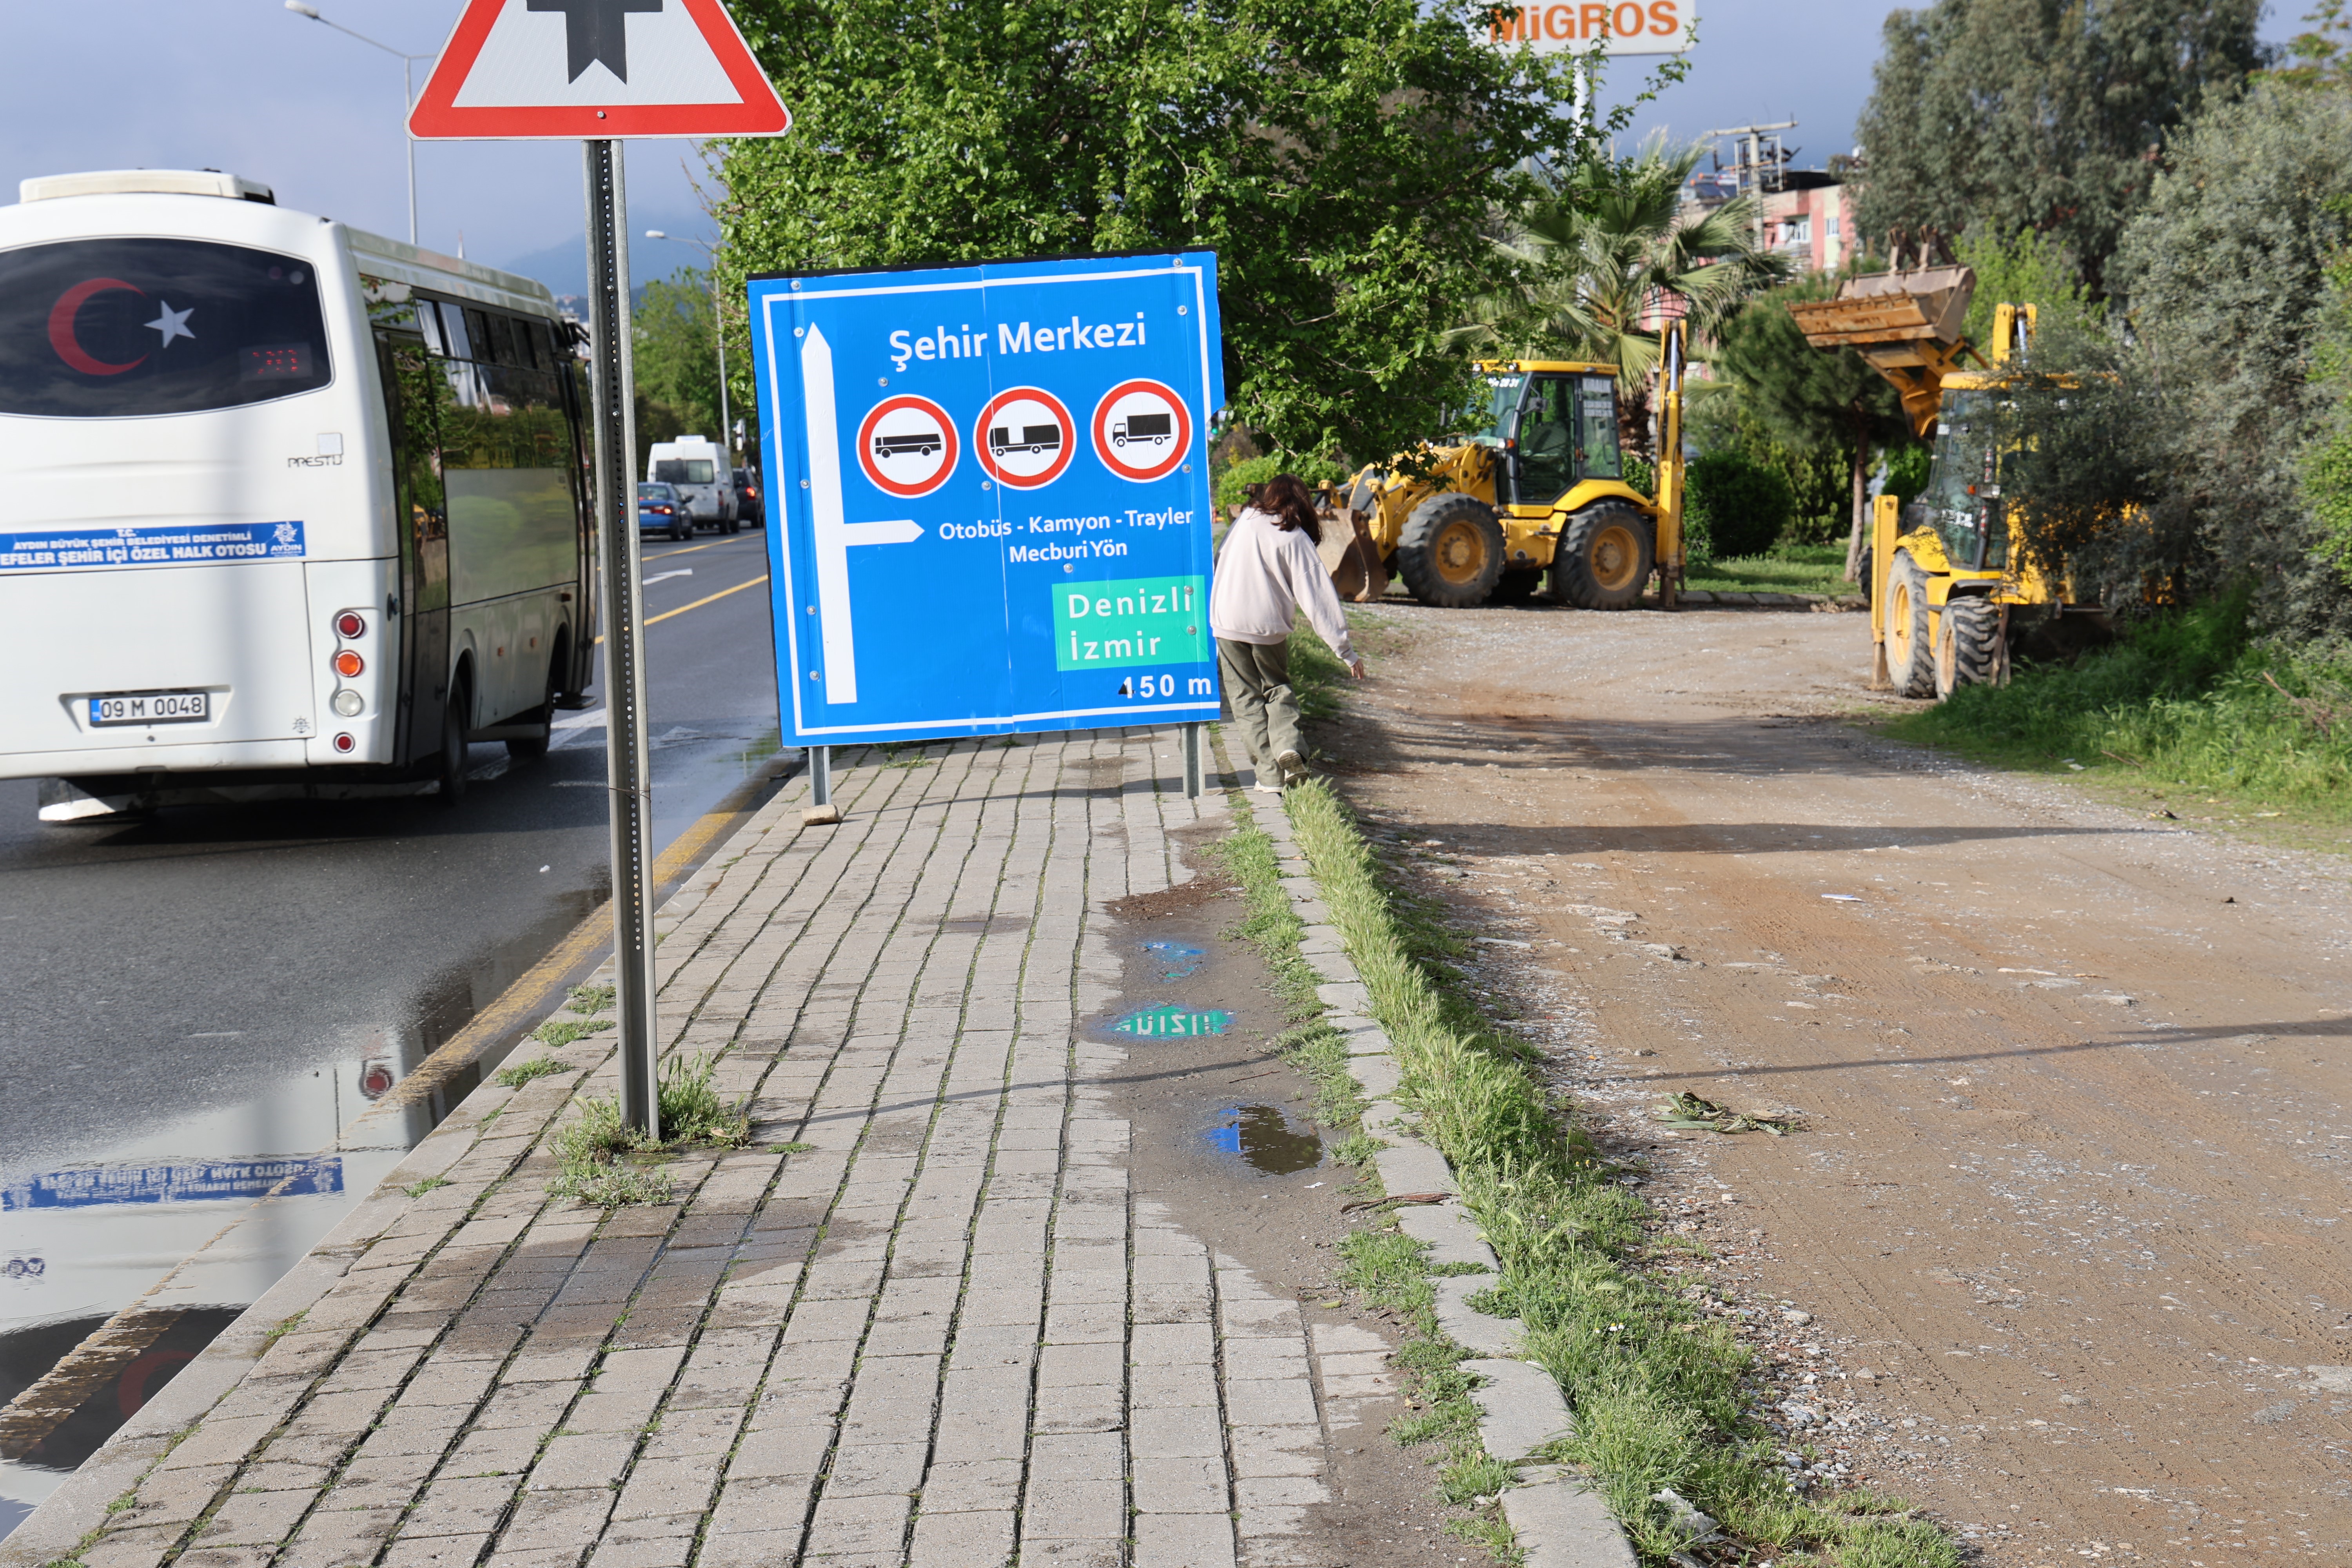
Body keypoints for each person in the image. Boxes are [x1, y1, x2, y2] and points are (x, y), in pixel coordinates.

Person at [1210, 473, 1366, 791]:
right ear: (1301, 502)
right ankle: (1288, 748)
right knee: (1277, 689)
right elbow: (1318, 597)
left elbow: (1217, 560)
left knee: (1244, 699)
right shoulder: (1293, 536)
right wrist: (1344, 650)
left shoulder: (1242, 523)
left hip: (1226, 621)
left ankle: (1270, 778)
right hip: (1266, 625)